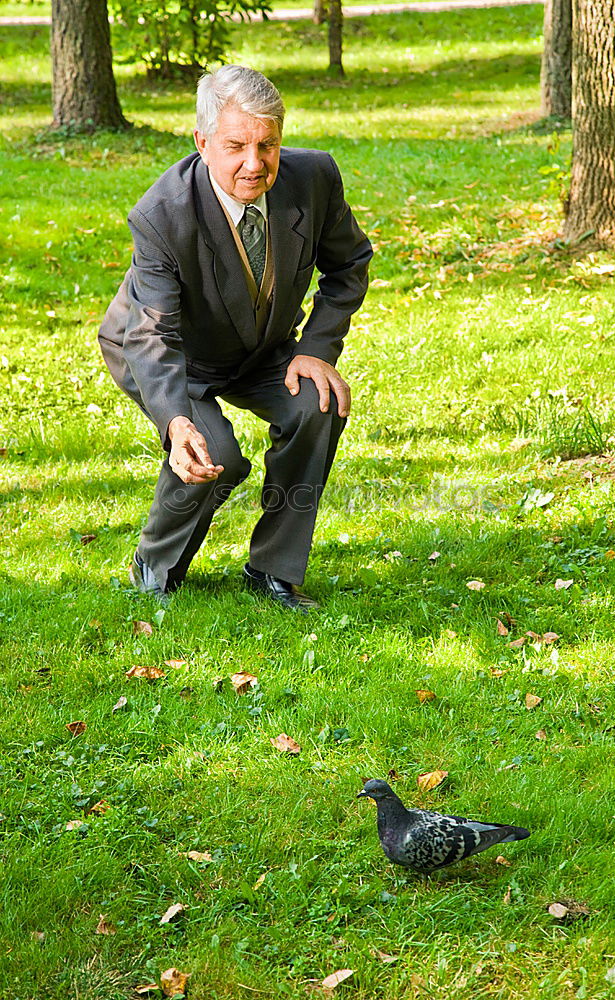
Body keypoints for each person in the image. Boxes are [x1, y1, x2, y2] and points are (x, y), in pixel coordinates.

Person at [98, 65, 372, 611]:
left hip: (262, 346)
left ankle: (273, 572)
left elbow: (350, 265)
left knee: (316, 406)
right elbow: (153, 332)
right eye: (236, 146)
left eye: (267, 144)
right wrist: (176, 422)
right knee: (213, 453)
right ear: (202, 142)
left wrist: (315, 350)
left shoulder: (313, 179)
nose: (255, 163)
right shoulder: (161, 215)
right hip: (168, 353)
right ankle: (156, 564)